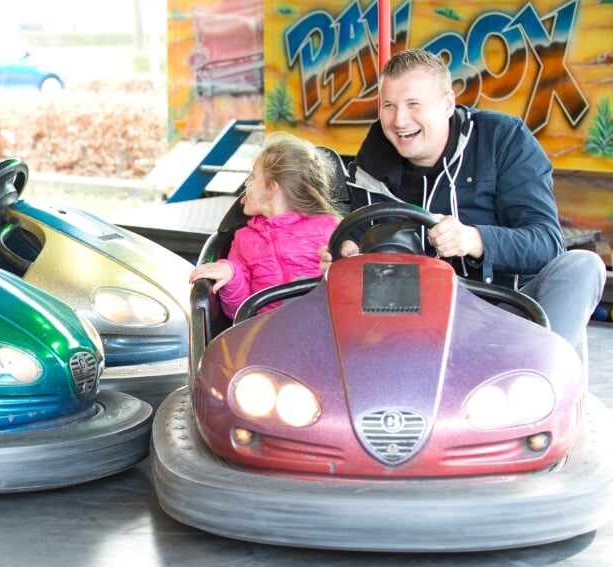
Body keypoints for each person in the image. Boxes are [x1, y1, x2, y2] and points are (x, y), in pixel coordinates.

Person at [321, 48, 604, 347]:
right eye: (388, 105)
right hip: (416, 328)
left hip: (511, 313)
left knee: (584, 265)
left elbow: (546, 243)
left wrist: (473, 240)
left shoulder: (502, 140)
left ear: (447, 105)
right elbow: (357, 245)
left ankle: (543, 378)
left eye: (413, 104)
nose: (399, 120)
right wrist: (346, 258)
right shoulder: (370, 166)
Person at [190, 131, 342, 318]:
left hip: (324, 327)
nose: (247, 183)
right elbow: (237, 313)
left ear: (271, 189)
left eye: (252, 177)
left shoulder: (329, 228)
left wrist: (345, 263)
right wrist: (232, 275)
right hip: (267, 332)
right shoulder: (243, 239)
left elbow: (354, 289)